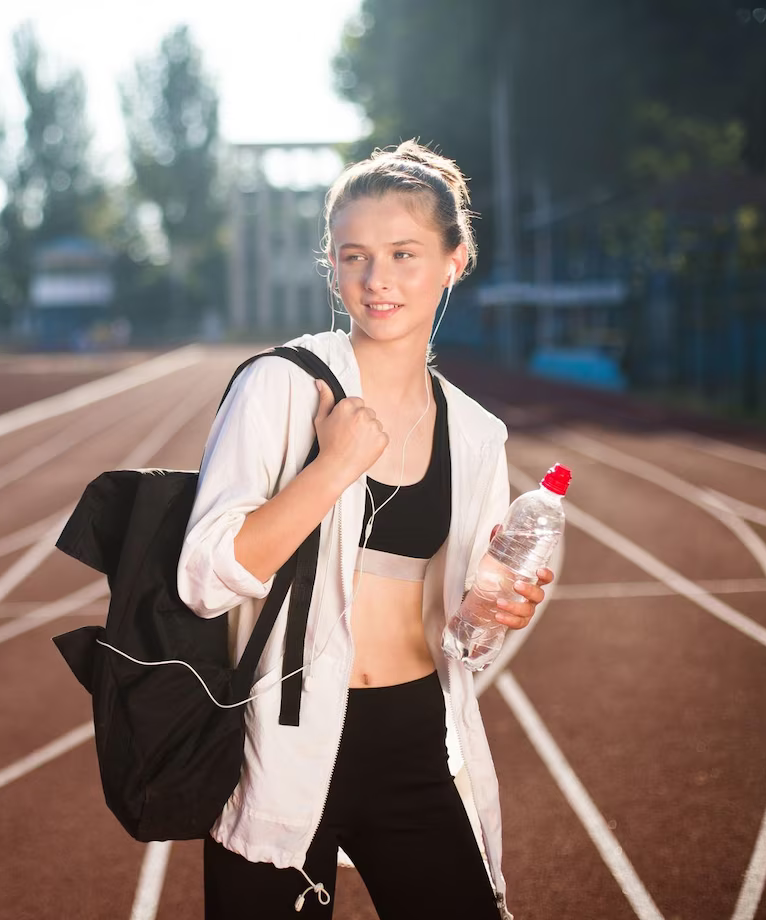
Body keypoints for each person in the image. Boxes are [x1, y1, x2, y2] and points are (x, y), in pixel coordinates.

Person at [177, 141, 552, 920]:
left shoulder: (476, 434)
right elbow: (204, 575)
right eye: (355, 256)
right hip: (283, 740)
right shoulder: (280, 386)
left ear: (456, 259)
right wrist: (332, 466)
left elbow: (465, 623)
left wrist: (502, 609)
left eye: (404, 254)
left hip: (415, 737)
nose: (377, 280)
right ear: (332, 265)